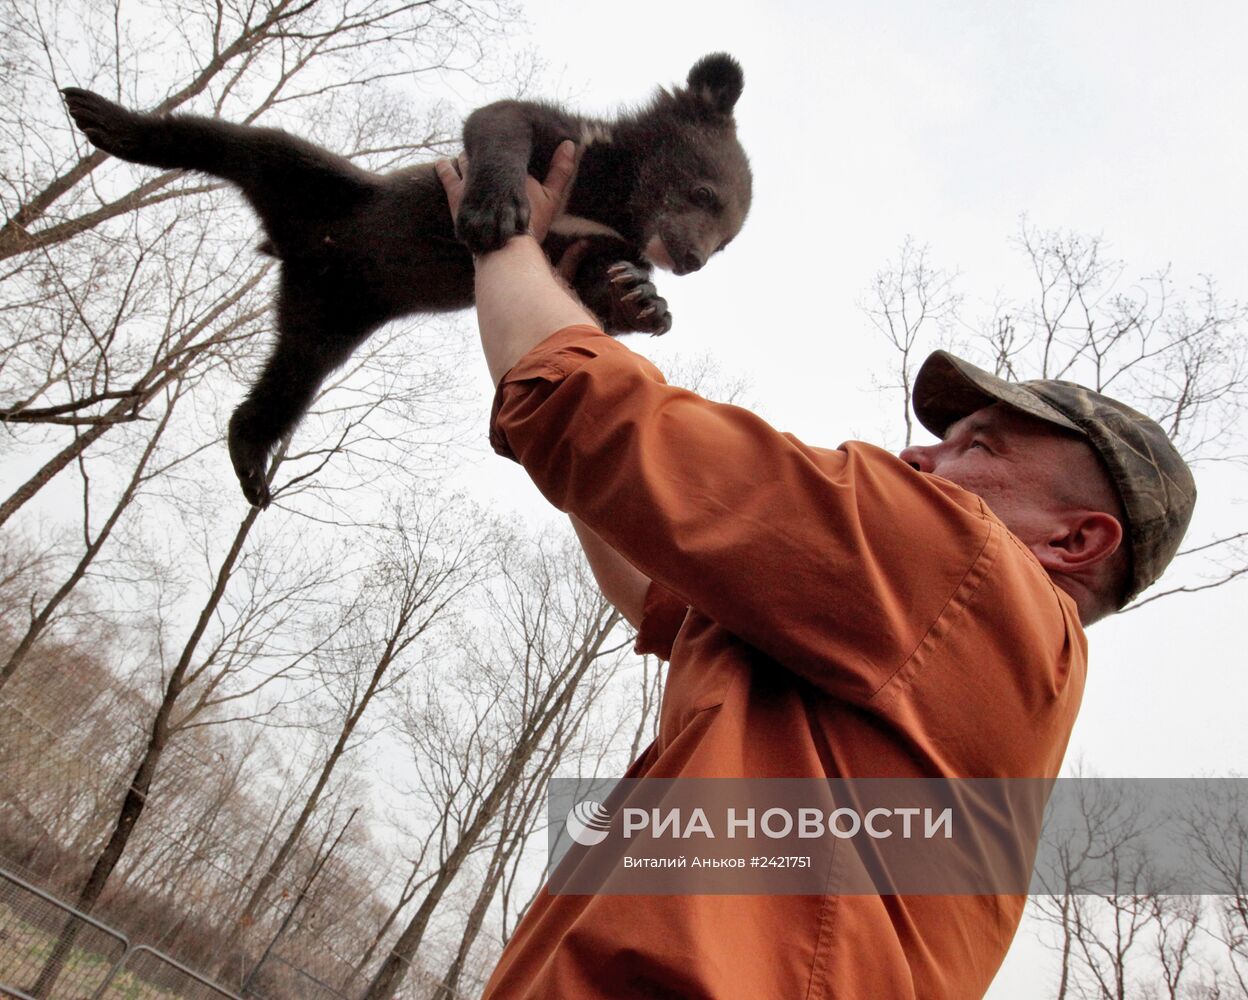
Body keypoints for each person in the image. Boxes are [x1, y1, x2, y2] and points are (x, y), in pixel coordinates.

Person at [434, 144, 1196, 999]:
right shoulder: (945, 668)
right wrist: (562, 359)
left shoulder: (968, 573)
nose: (919, 454)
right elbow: (659, 589)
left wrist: (506, 246)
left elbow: (601, 418)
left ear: (1076, 543)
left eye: (977, 446)